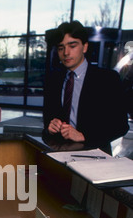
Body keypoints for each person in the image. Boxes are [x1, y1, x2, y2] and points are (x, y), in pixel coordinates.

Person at [43, 21, 129, 154]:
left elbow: (121, 126)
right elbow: (47, 121)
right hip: (59, 155)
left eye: (72, 46)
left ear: (84, 47)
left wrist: (84, 136)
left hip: (94, 157)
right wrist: (50, 127)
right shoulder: (53, 81)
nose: (66, 53)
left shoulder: (107, 79)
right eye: (61, 48)